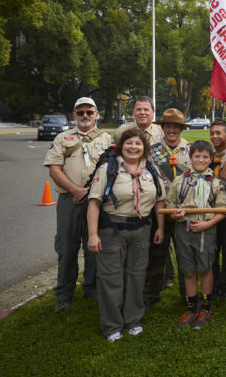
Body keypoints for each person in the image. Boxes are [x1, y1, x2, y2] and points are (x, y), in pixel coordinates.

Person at [87, 128, 165, 342]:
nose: (133, 147)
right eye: (129, 143)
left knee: (136, 276)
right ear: (121, 146)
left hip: (141, 230)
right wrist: (93, 235)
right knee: (110, 278)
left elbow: (159, 200)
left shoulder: (151, 169)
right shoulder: (108, 168)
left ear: (144, 148)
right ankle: (112, 325)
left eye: (138, 144)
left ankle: (133, 320)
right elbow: (94, 203)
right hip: (112, 230)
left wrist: (160, 227)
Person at [43, 97, 112, 313]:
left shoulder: (107, 139)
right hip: (69, 201)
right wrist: (76, 190)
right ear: (74, 115)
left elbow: (113, 170)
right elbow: (54, 168)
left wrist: (92, 194)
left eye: (89, 112)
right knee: (66, 247)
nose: (85, 116)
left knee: (95, 247)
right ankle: (64, 294)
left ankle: (92, 288)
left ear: (96, 114)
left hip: (98, 201)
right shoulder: (63, 138)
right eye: (80, 112)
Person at [169, 140, 226, 330]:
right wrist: (174, 213)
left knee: (205, 269)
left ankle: (206, 308)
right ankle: (191, 307)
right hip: (183, 230)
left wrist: (207, 224)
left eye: (205, 157)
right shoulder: (179, 181)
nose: (201, 160)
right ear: (190, 157)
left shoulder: (216, 183)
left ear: (211, 159)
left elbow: (222, 210)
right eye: (197, 156)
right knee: (188, 270)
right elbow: (170, 206)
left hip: (207, 229)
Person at [143, 108, 191, 309]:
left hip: (184, 211)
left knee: (184, 255)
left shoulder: (190, 149)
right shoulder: (151, 150)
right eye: (168, 126)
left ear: (181, 128)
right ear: (162, 128)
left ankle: (186, 295)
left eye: (176, 127)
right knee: (156, 254)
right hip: (159, 210)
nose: (172, 130)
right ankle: (151, 295)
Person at [209, 119, 226, 298]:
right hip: (209, 207)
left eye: (219, 133)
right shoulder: (206, 154)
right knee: (211, 247)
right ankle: (213, 282)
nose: (215, 136)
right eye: (212, 133)